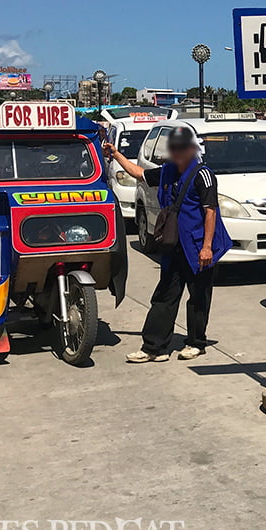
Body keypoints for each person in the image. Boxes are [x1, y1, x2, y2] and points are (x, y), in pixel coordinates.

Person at [105, 127, 232, 362]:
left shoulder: (202, 175)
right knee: (164, 295)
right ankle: (154, 347)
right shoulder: (167, 172)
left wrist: (206, 247)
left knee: (199, 296)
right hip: (173, 245)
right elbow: (139, 174)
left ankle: (196, 343)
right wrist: (116, 155)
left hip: (198, 246)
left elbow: (210, 212)